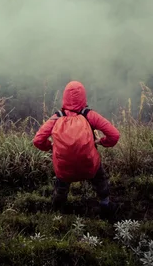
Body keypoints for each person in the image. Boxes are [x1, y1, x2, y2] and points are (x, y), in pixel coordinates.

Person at [33, 80, 120, 215]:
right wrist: (101, 141)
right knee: (100, 178)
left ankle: (58, 212)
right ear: (84, 96)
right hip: (89, 164)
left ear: (64, 97)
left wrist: (51, 147)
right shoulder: (89, 115)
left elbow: (38, 140)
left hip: (64, 166)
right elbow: (114, 135)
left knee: (61, 185)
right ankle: (105, 204)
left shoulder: (57, 117)